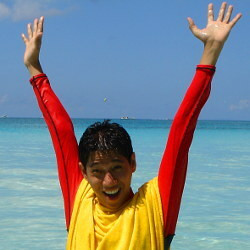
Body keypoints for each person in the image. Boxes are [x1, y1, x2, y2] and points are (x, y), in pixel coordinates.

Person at [21, 2, 241, 250]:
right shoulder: (78, 197)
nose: (109, 181)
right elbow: (60, 130)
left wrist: (210, 53)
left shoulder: (157, 206)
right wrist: (33, 67)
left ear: (133, 163)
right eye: (97, 171)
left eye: (117, 167)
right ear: (82, 171)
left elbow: (181, 132)